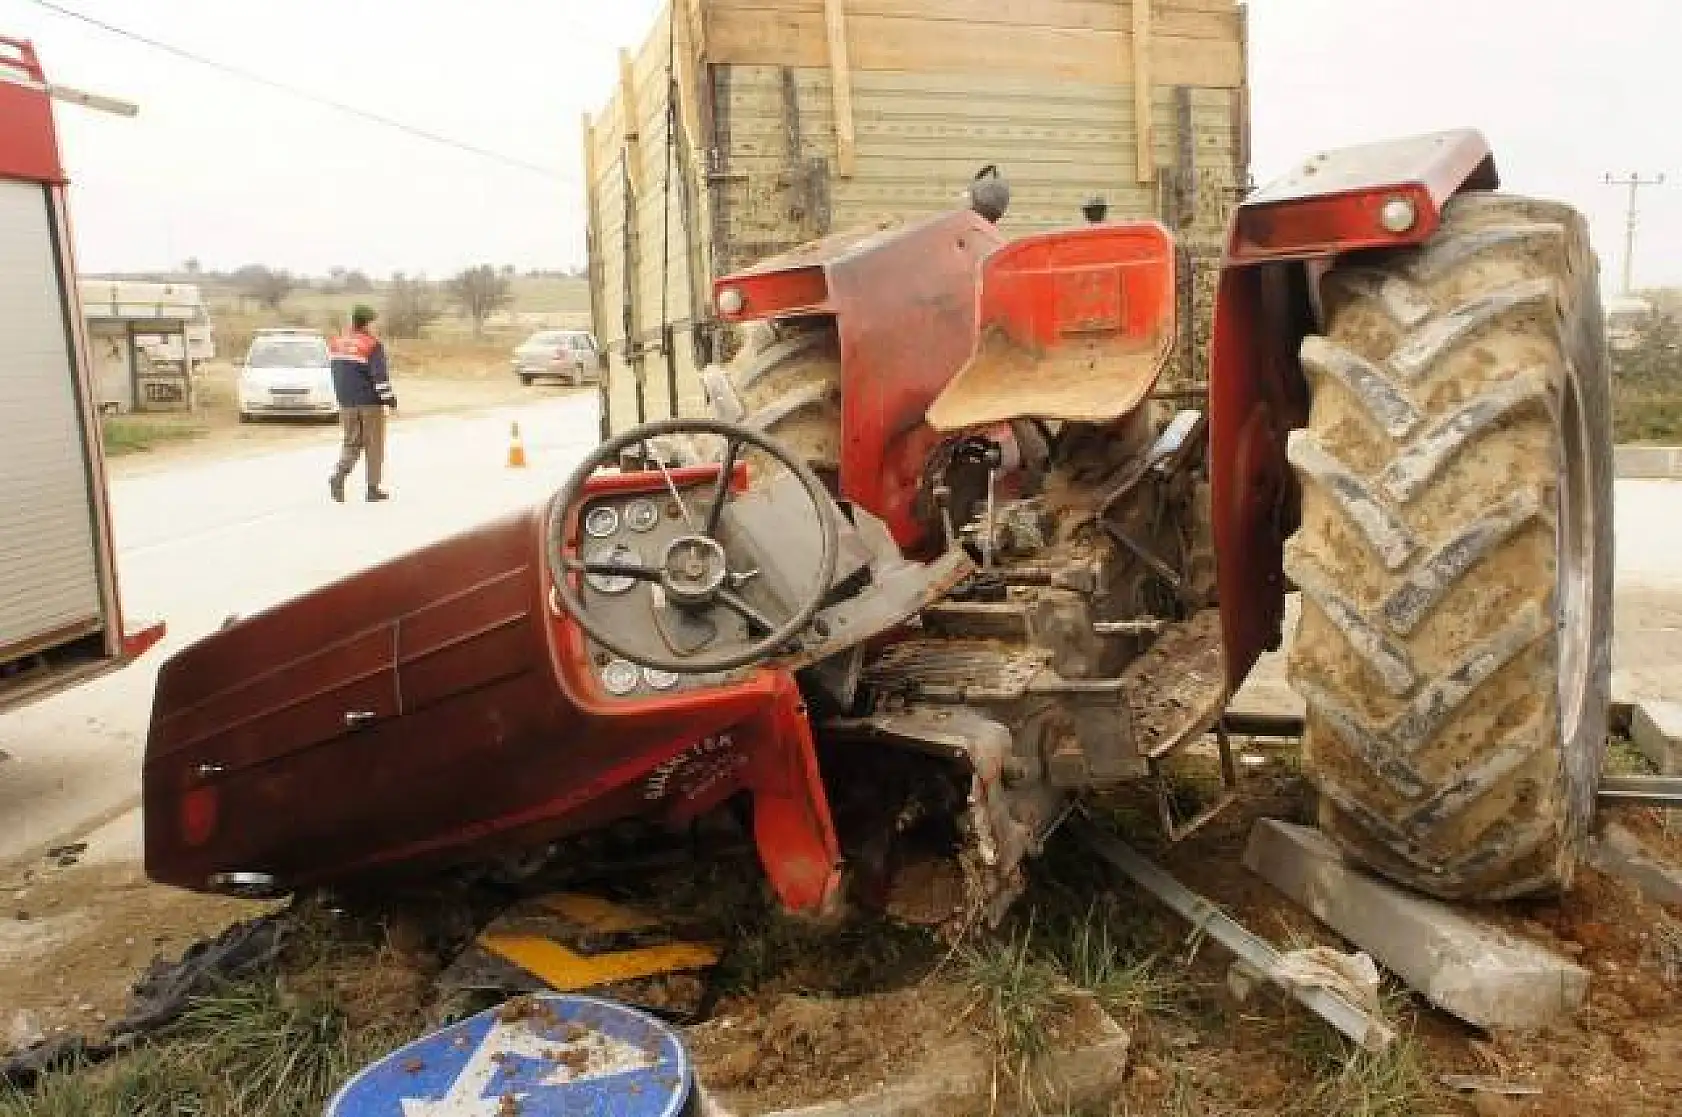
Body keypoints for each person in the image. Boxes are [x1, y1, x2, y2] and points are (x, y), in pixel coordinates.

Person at [327, 304, 396, 502]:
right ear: (367, 323)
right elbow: (379, 377)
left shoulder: (336, 343)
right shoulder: (372, 345)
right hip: (369, 403)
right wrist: (390, 400)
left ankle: (339, 475)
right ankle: (372, 489)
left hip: (346, 402)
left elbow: (336, 373)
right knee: (374, 445)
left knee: (351, 443)